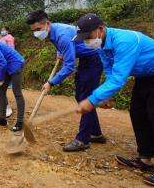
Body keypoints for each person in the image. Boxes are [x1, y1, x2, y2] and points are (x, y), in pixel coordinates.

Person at [73, 13, 154, 186]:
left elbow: (119, 79)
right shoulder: (102, 45)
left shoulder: (124, 41)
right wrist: (107, 95)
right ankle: (146, 160)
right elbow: (109, 70)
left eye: (88, 36)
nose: (86, 41)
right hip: (145, 76)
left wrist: (92, 100)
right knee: (137, 113)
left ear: (100, 30)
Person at [26, 10, 105, 152]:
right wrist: (59, 53)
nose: (36, 33)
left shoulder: (62, 35)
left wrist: (51, 82)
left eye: (38, 29)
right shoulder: (52, 31)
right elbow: (63, 46)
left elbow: (69, 67)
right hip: (85, 57)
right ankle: (96, 133)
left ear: (47, 23)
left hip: (94, 57)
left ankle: (83, 140)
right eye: (34, 31)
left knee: (85, 98)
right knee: (81, 96)